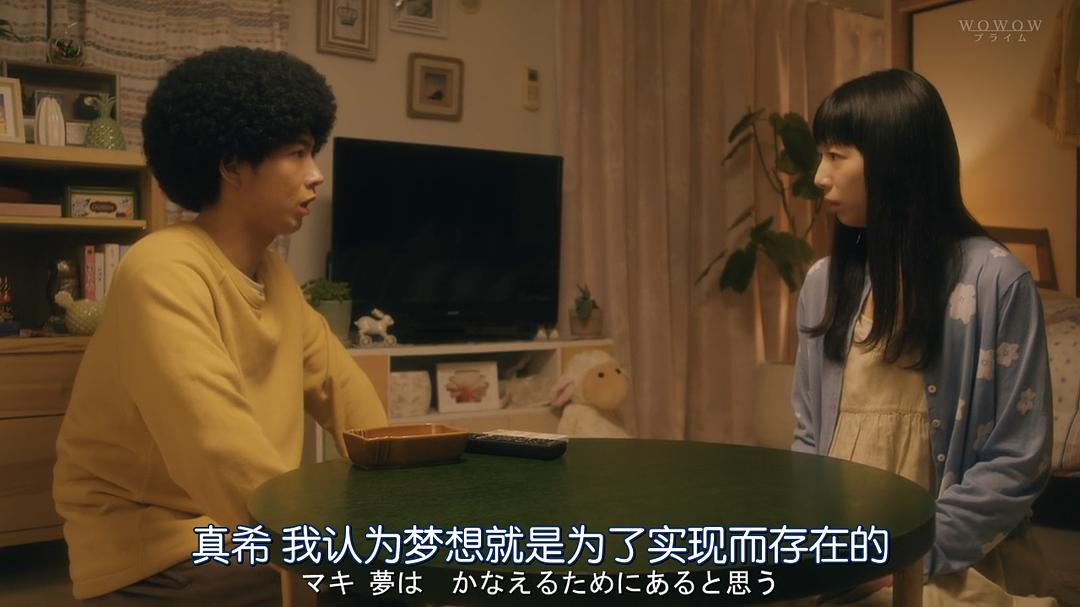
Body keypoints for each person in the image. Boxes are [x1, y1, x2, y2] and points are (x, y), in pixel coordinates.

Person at [52, 47, 387, 605]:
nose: (316, 175)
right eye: (297, 153)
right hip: (154, 550)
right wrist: (320, 549)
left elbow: (344, 391)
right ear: (231, 166)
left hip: (241, 531)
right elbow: (218, 450)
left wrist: (405, 486)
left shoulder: (274, 277)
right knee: (370, 583)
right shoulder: (162, 269)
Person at [791, 69, 1055, 606]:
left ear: (895, 161)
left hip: (954, 557)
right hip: (841, 556)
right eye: (821, 156)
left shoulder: (995, 280)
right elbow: (806, 437)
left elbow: (1018, 459)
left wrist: (904, 556)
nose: (819, 176)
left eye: (836, 156)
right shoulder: (823, 284)